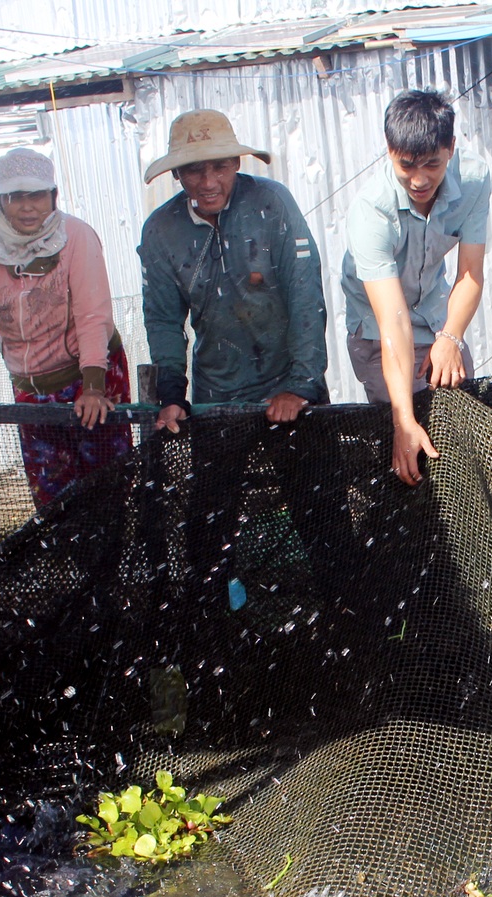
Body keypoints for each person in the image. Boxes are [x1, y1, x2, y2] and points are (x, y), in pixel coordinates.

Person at [137, 110, 351, 615]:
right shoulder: (160, 231)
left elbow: (305, 293)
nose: (208, 182)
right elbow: (164, 320)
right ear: (177, 175)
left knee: (323, 513)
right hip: (218, 393)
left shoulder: (271, 203)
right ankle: (212, 624)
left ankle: (347, 615)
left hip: (289, 384)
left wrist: (301, 385)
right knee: (208, 526)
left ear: (237, 162)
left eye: (219, 167)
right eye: (194, 170)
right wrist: (172, 395)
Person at [0, 147, 129, 506]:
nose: (28, 206)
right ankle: (68, 559)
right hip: (31, 386)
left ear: (53, 196)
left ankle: (114, 559)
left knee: (108, 486)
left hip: (93, 373)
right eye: (16, 197)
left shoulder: (76, 237)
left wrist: (93, 388)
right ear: (0, 201)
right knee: (52, 495)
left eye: (37, 195)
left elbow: (93, 315)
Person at [342, 90, 490, 485]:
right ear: (389, 151)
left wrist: (451, 338)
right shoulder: (371, 211)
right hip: (378, 332)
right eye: (406, 166)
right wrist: (404, 420)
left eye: (432, 164)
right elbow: (393, 324)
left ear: (451, 148)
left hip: (434, 315)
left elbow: (470, 274)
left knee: (462, 426)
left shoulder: (474, 179)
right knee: (409, 440)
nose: (420, 179)